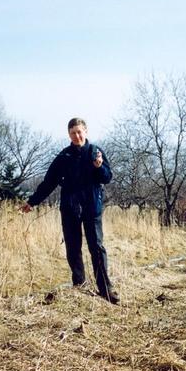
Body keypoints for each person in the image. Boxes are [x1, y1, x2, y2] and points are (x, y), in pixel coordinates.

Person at [20, 117, 119, 304]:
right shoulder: (63, 157)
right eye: (73, 133)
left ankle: (106, 289)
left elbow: (107, 177)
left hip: (92, 208)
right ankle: (79, 286)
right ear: (69, 134)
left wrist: (99, 167)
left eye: (79, 132)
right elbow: (49, 183)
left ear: (86, 131)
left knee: (96, 248)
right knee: (73, 249)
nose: (77, 136)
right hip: (70, 209)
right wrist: (32, 202)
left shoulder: (95, 152)